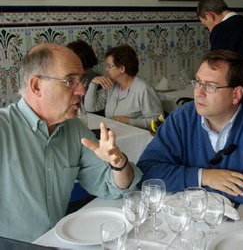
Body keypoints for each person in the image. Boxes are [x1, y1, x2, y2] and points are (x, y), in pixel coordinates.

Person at [0, 43, 142, 242]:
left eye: (81, 80)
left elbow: (111, 187)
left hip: (57, 241)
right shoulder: (4, 129)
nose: (82, 90)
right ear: (36, 86)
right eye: (70, 81)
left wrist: (119, 163)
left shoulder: (74, 130)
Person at [137, 49, 243, 205]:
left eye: (211, 86)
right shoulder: (182, 117)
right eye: (198, 82)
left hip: (242, 221)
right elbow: (146, 173)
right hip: (189, 218)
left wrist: (186, 184)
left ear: (236, 94)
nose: (199, 92)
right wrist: (204, 176)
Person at [84, 44, 163, 130]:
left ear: (122, 69)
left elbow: (158, 122)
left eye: (110, 66)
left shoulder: (143, 89)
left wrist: (130, 121)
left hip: (138, 137)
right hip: (117, 133)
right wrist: (93, 83)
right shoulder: (112, 86)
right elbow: (90, 107)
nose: (107, 69)